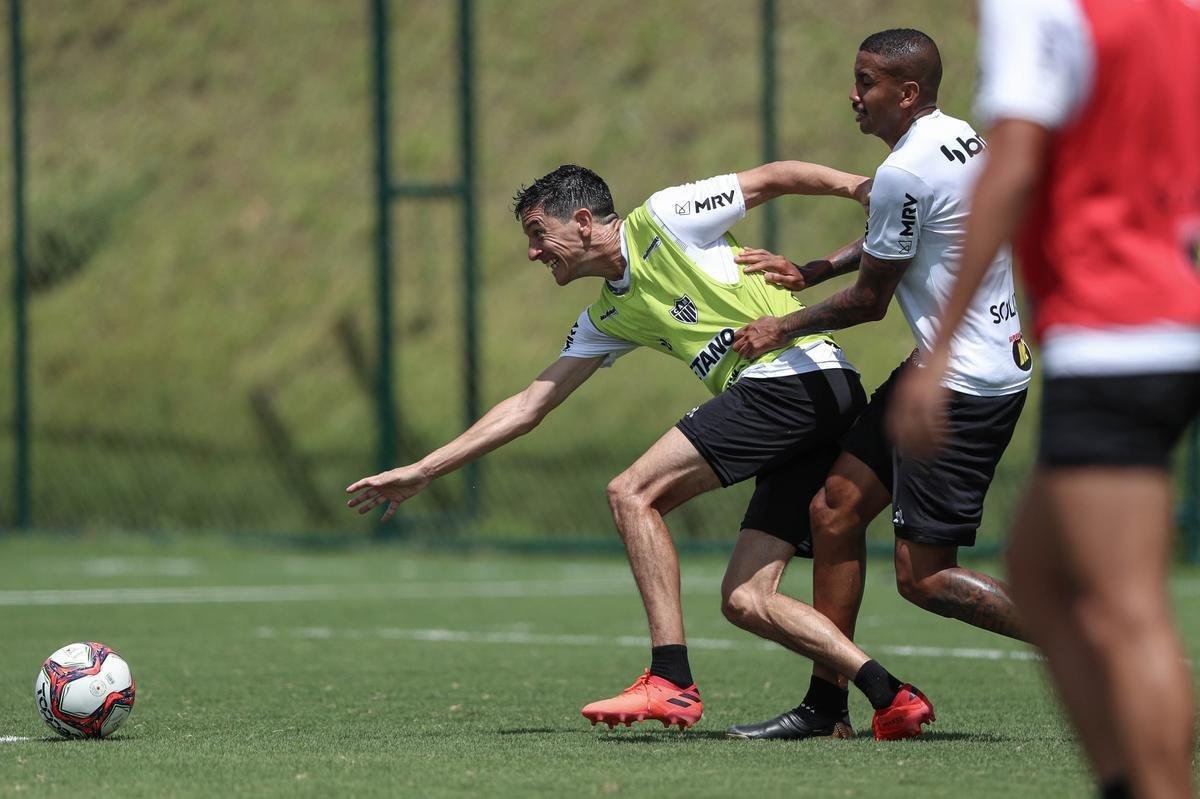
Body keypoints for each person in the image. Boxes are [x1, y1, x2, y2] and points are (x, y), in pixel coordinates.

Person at [346, 162, 934, 740]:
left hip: (791, 379)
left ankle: (670, 678)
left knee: (631, 491)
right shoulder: (607, 313)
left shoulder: (666, 217)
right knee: (746, 600)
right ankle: (891, 695)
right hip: (816, 396)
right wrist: (423, 470)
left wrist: (859, 188)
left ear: (581, 221)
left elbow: (772, 176)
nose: (532, 253)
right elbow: (529, 405)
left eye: (536, 233)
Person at [887, 2, 1200, 797]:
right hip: (1167, 309)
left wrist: (943, 343)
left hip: (1117, 329)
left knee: (1126, 607)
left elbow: (1016, 162)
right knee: (1039, 572)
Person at [725, 28, 1031, 740]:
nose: (853, 96)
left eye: (866, 83)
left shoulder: (905, 171)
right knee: (832, 510)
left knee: (924, 577)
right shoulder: (959, 139)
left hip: (964, 385)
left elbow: (872, 301)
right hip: (955, 366)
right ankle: (826, 708)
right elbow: (900, 232)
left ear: (908, 92)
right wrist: (814, 268)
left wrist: (784, 324)